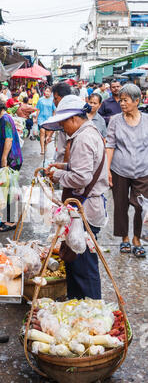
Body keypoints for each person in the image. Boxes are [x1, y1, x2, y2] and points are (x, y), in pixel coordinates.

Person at [43, 95, 108, 300]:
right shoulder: (89, 133)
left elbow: (81, 177)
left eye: (63, 123)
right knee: (76, 262)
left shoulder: (84, 137)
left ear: (73, 118)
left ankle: (90, 308)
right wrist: (62, 167)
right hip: (86, 209)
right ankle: (78, 304)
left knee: (84, 266)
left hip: (86, 210)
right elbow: (83, 166)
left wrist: (58, 175)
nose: (63, 128)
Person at [106, 83, 148, 258]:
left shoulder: (146, 120)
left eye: (126, 100)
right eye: (121, 100)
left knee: (141, 207)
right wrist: (106, 170)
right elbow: (110, 145)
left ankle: (137, 239)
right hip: (119, 170)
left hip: (143, 171)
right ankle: (125, 238)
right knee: (121, 205)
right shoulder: (115, 120)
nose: (122, 103)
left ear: (137, 101)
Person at [0, 95, 23, 232]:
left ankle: (11, 222)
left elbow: (9, 139)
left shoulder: (5, 119)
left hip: (11, 160)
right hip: (10, 159)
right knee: (6, 190)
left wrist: (4, 158)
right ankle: (7, 219)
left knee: (9, 191)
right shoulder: (3, 119)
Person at [51, 82, 72, 162]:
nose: (54, 101)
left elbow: (68, 145)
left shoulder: (68, 115)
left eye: (56, 98)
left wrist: (64, 167)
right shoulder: (61, 112)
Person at [35, 86, 56, 155]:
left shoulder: (53, 100)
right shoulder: (40, 100)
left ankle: (45, 145)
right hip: (41, 119)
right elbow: (38, 110)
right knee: (42, 132)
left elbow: (54, 111)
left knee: (47, 135)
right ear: (44, 92)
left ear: (51, 93)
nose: (47, 93)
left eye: (49, 91)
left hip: (49, 119)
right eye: (46, 91)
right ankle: (42, 149)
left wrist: (54, 119)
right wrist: (36, 118)